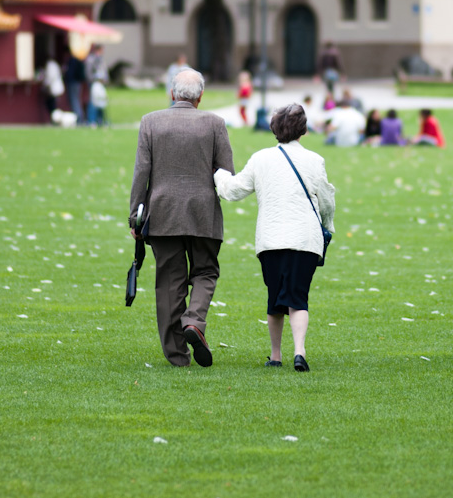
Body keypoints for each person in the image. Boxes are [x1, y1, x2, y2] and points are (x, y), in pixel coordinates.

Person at [214, 104, 336, 372]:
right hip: (305, 239)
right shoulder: (315, 160)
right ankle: (300, 351)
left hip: (270, 239)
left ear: (273, 128)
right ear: (303, 130)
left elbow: (233, 191)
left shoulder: (260, 159)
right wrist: (328, 227)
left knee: (275, 299)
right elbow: (326, 200)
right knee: (298, 297)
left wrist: (220, 174)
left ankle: (276, 354)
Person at [129, 68, 235, 367]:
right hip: (203, 213)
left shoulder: (151, 122)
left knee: (169, 282)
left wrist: (135, 215)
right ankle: (194, 321)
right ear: (200, 96)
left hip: (162, 213)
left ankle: (177, 356)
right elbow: (226, 172)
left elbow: (142, 172)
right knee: (205, 272)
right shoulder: (215, 123)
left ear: (172, 94)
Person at [40, 56, 64, 123]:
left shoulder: (50, 65)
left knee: (53, 105)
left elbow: (50, 77)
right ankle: (54, 119)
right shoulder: (53, 64)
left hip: (53, 88)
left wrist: (45, 85)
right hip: (54, 88)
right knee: (52, 104)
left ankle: (55, 120)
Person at [65, 53, 87, 124]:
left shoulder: (73, 61)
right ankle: (79, 118)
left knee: (74, 100)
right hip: (77, 83)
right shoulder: (78, 60)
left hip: (73, 82)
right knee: (76, 100)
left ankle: (78, 119)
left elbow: (70, 73)